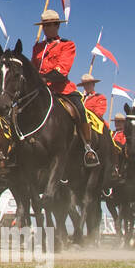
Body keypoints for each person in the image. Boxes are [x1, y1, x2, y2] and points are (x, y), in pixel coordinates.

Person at [31, 10, 98, 166]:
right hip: (40, 91)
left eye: (49, 25)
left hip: (61, 89)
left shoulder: (67, 45)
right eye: (44, 26)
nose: (46, 29)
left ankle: (88, 147)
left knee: (80, 110)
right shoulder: (38, 47)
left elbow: (63, 69)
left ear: (56, 26)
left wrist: (43, 78)